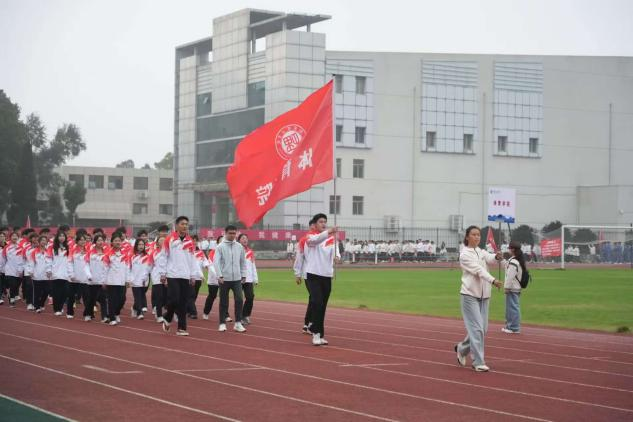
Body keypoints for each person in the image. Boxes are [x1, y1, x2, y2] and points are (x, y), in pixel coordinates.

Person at [455, 225, 503, 372]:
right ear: (467, 237)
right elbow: (479, 270)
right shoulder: (464, 255)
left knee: (483, 329)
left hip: (484, 296)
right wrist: (493, 280)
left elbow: (490, 258)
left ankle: (462, 349)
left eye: (478, 235)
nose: (477, 237)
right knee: (477, 329)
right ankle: (478, 362)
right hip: (469, 295)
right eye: (474, 234)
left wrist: (496, 256)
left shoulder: (481, 251)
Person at [304, 213, 339, 346]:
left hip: (326, 275)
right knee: (317, 303)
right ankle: (315, 332)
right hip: (313, 275)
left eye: (325, 222)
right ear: (314, 224)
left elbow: (335, 251)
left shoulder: (331, 239)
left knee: (323, 306)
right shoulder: (311, 237)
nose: (323, 224)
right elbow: (315, 240)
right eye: (320, 222)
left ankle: (320, 333)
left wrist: (337, 257)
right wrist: (328, 232)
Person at [162, 216, 198, 336]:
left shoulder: (190, 241)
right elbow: (163, 257)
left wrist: (193, 275)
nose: (185, 226)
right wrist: (163, 274)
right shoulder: (170, 239)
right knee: (174, 299)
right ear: (177, 225)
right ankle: (168, 316)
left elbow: (192, 260)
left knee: (183, 302)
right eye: (182, 224)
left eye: (186, 224)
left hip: (185, 275)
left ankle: (181, 328)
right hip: (172, 274)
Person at [214, 225, 247, 333]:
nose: (232, 235)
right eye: (230, 233)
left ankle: (238, 323)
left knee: (239, 299)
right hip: (224, 279)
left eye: (234, 233)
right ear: (225, 233)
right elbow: (216, 262)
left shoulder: (239, 246)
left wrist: (243, 274)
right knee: (224, 301)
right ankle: (222, 323)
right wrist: (219, 275)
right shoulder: (220, 247)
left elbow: (243, 262)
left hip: (237, 278)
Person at [294, 218, 316, 334]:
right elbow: (300, 257)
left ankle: (309, 324)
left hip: (320, 273)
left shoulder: (323, 238)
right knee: (314, 298)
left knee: (315, 299)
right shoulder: (304, 240)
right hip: (308, 274)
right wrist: (297, 274)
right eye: (314, 224)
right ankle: (308, 324)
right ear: (310, 226)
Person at [104, 232, 131, 326]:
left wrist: (127, 280)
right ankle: (112, 318)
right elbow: (105, 268)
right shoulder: (108, 254)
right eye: (115, 241)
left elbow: (127, 267)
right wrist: (104, 281)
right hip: (111, 281)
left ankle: (115, 313)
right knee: (112, 300)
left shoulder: (125, 254)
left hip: (122, 281)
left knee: (122, 299)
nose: (118, 242)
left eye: (119, 240)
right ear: (112, 242)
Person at [502, 241, 525, 334]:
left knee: (513, 308)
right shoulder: (515, 260)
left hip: (513, 288)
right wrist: (501, 259)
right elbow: (507, 266)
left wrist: (506, 287)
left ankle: (514, 327)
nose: (508, 250)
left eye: (509, 248)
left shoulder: (514, 261)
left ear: (512, 249)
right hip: (515, 287)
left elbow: (510, 276)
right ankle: (510, 326)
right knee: (511, 308)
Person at [25, 235, 51, 313]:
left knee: (47, 291)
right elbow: (31, 262)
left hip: (46, 275)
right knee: (37, 292)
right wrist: (31, 272)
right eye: (42, 240)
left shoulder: (49, 251)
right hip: (37, 275)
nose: (43, 242)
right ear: (39, 242)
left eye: (45, 240)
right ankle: (37, 307)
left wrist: (50, 271)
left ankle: (41, 303)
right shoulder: (34, 251)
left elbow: (51, 262)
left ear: (47, 242)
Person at [69, 233, 92, 320]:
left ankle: (87, 314)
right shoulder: (72, 250)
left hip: (84, 277)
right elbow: (70, 263)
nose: (83, 241)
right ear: (77, 241)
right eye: (81, 240)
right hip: (74, 277)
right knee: (71, 296)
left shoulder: (89, 250)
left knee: (87, 296)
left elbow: (89, 264)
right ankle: (70, 312)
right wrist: (71, 274)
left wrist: (89, 275)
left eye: (84, 240)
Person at [49, 231, 73, 316]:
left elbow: (70, 260)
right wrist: (49, 270)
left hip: (65, 273)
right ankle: (57, 309)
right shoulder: (52, 247)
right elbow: (49, 259)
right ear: (57, 237)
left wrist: (70, 272)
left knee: (65, 292)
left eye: (63, 236)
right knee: (56, 292)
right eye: (60, 236)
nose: (62, 237)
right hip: (55, 272)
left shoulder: (68, 248)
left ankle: (61, 306)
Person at [87, 234, 109, 322]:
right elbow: (86, 265)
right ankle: (88, 314)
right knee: (92, 299)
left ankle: (104, 317)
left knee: (103, 299)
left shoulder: (106, 252)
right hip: (92, 279)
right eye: (98, 240)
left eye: (102, 240)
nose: (100, 242)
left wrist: (105, 279)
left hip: (101, 280)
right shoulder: (90, 252)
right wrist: (89, 275)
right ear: (95, 242)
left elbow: (107, 266)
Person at [187, 235, 208, 319]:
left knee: (194, 295)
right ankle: (193, 312)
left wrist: (207, 267)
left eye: (196, 240)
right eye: (193, 240)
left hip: (198, 278)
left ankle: (188, 310)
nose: (194, 242)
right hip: (190, 277)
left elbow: (205, 262)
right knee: (191, 295)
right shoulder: (187, 251)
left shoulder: (200, 253)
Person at [239, 234, 258, 325]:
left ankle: (245, 315)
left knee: (250, 297)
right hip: (238, 279)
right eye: (243, 238)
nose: (245, 240)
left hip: (248, 279)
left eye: (246, 238)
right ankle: (239, 317)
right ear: (239, 240)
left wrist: (255, 279)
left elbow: (253, 266)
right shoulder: (236, 251)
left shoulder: (250, 252)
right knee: (238, 299)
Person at [130, 238, 151, 320]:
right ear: (136, 246)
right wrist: (130, 278)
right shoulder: (132, 256)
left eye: (142, 244)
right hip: (134, 280)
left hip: (144, 280)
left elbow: (149, 268)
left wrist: (145, 277)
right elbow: (129, 268)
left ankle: (134, 308)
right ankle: (140, 312)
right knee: (137, 296)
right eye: (139, 244)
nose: (141, 246)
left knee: (141, 295)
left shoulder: (147, 256)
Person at [149, 234, 168, 323]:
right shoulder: (153, 252)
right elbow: (150, 265)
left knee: (166, 297)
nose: (163, 242)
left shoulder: (169, 252)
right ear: (157, 243)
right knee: (159, 296)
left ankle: (160, 309)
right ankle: (159, 315)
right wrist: (146, 276)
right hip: (157, 276)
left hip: (167, 276)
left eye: (164, 240)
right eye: (161, 240)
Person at [202, 236, 221, 321]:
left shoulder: (226, 253)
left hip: (224, 279)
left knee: (224, 297)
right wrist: (218, 276)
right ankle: (206, 312)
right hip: (214, 280)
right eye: (220, 241)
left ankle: (225, 315)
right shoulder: (213, 252)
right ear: (217, 243)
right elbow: (211, 267)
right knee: (212, 296)